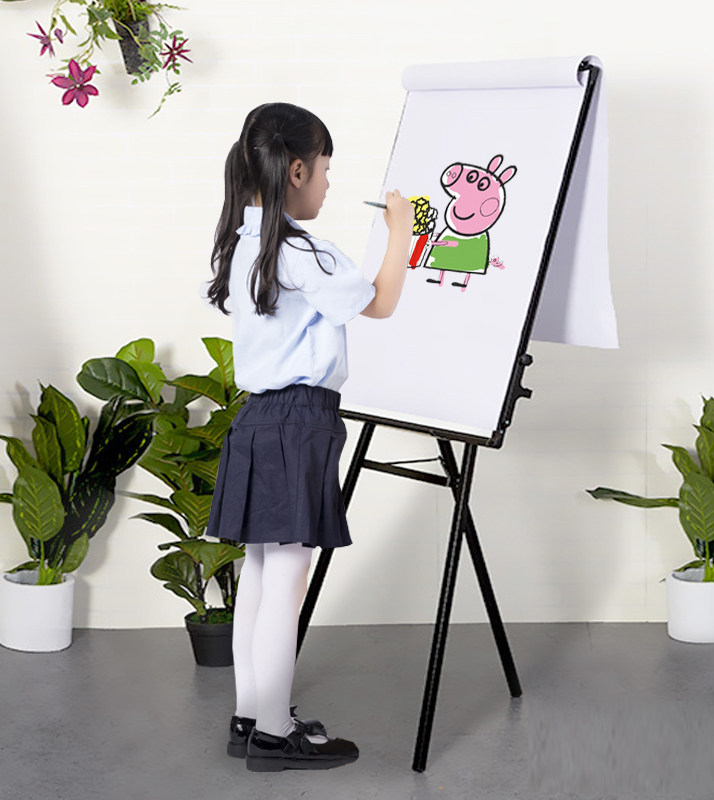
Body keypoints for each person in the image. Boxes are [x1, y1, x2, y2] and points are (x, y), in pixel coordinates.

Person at [205, 102, 413, 773]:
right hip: (299, 421)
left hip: (258, 419)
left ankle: (251, 716)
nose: (327, 182)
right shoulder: (301, 250)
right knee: (286, 580)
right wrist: (402, 232)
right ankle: (273, 733)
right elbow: (381, 302)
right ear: (296, 171)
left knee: (262, 573)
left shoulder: (246, 243)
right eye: (324, 169)